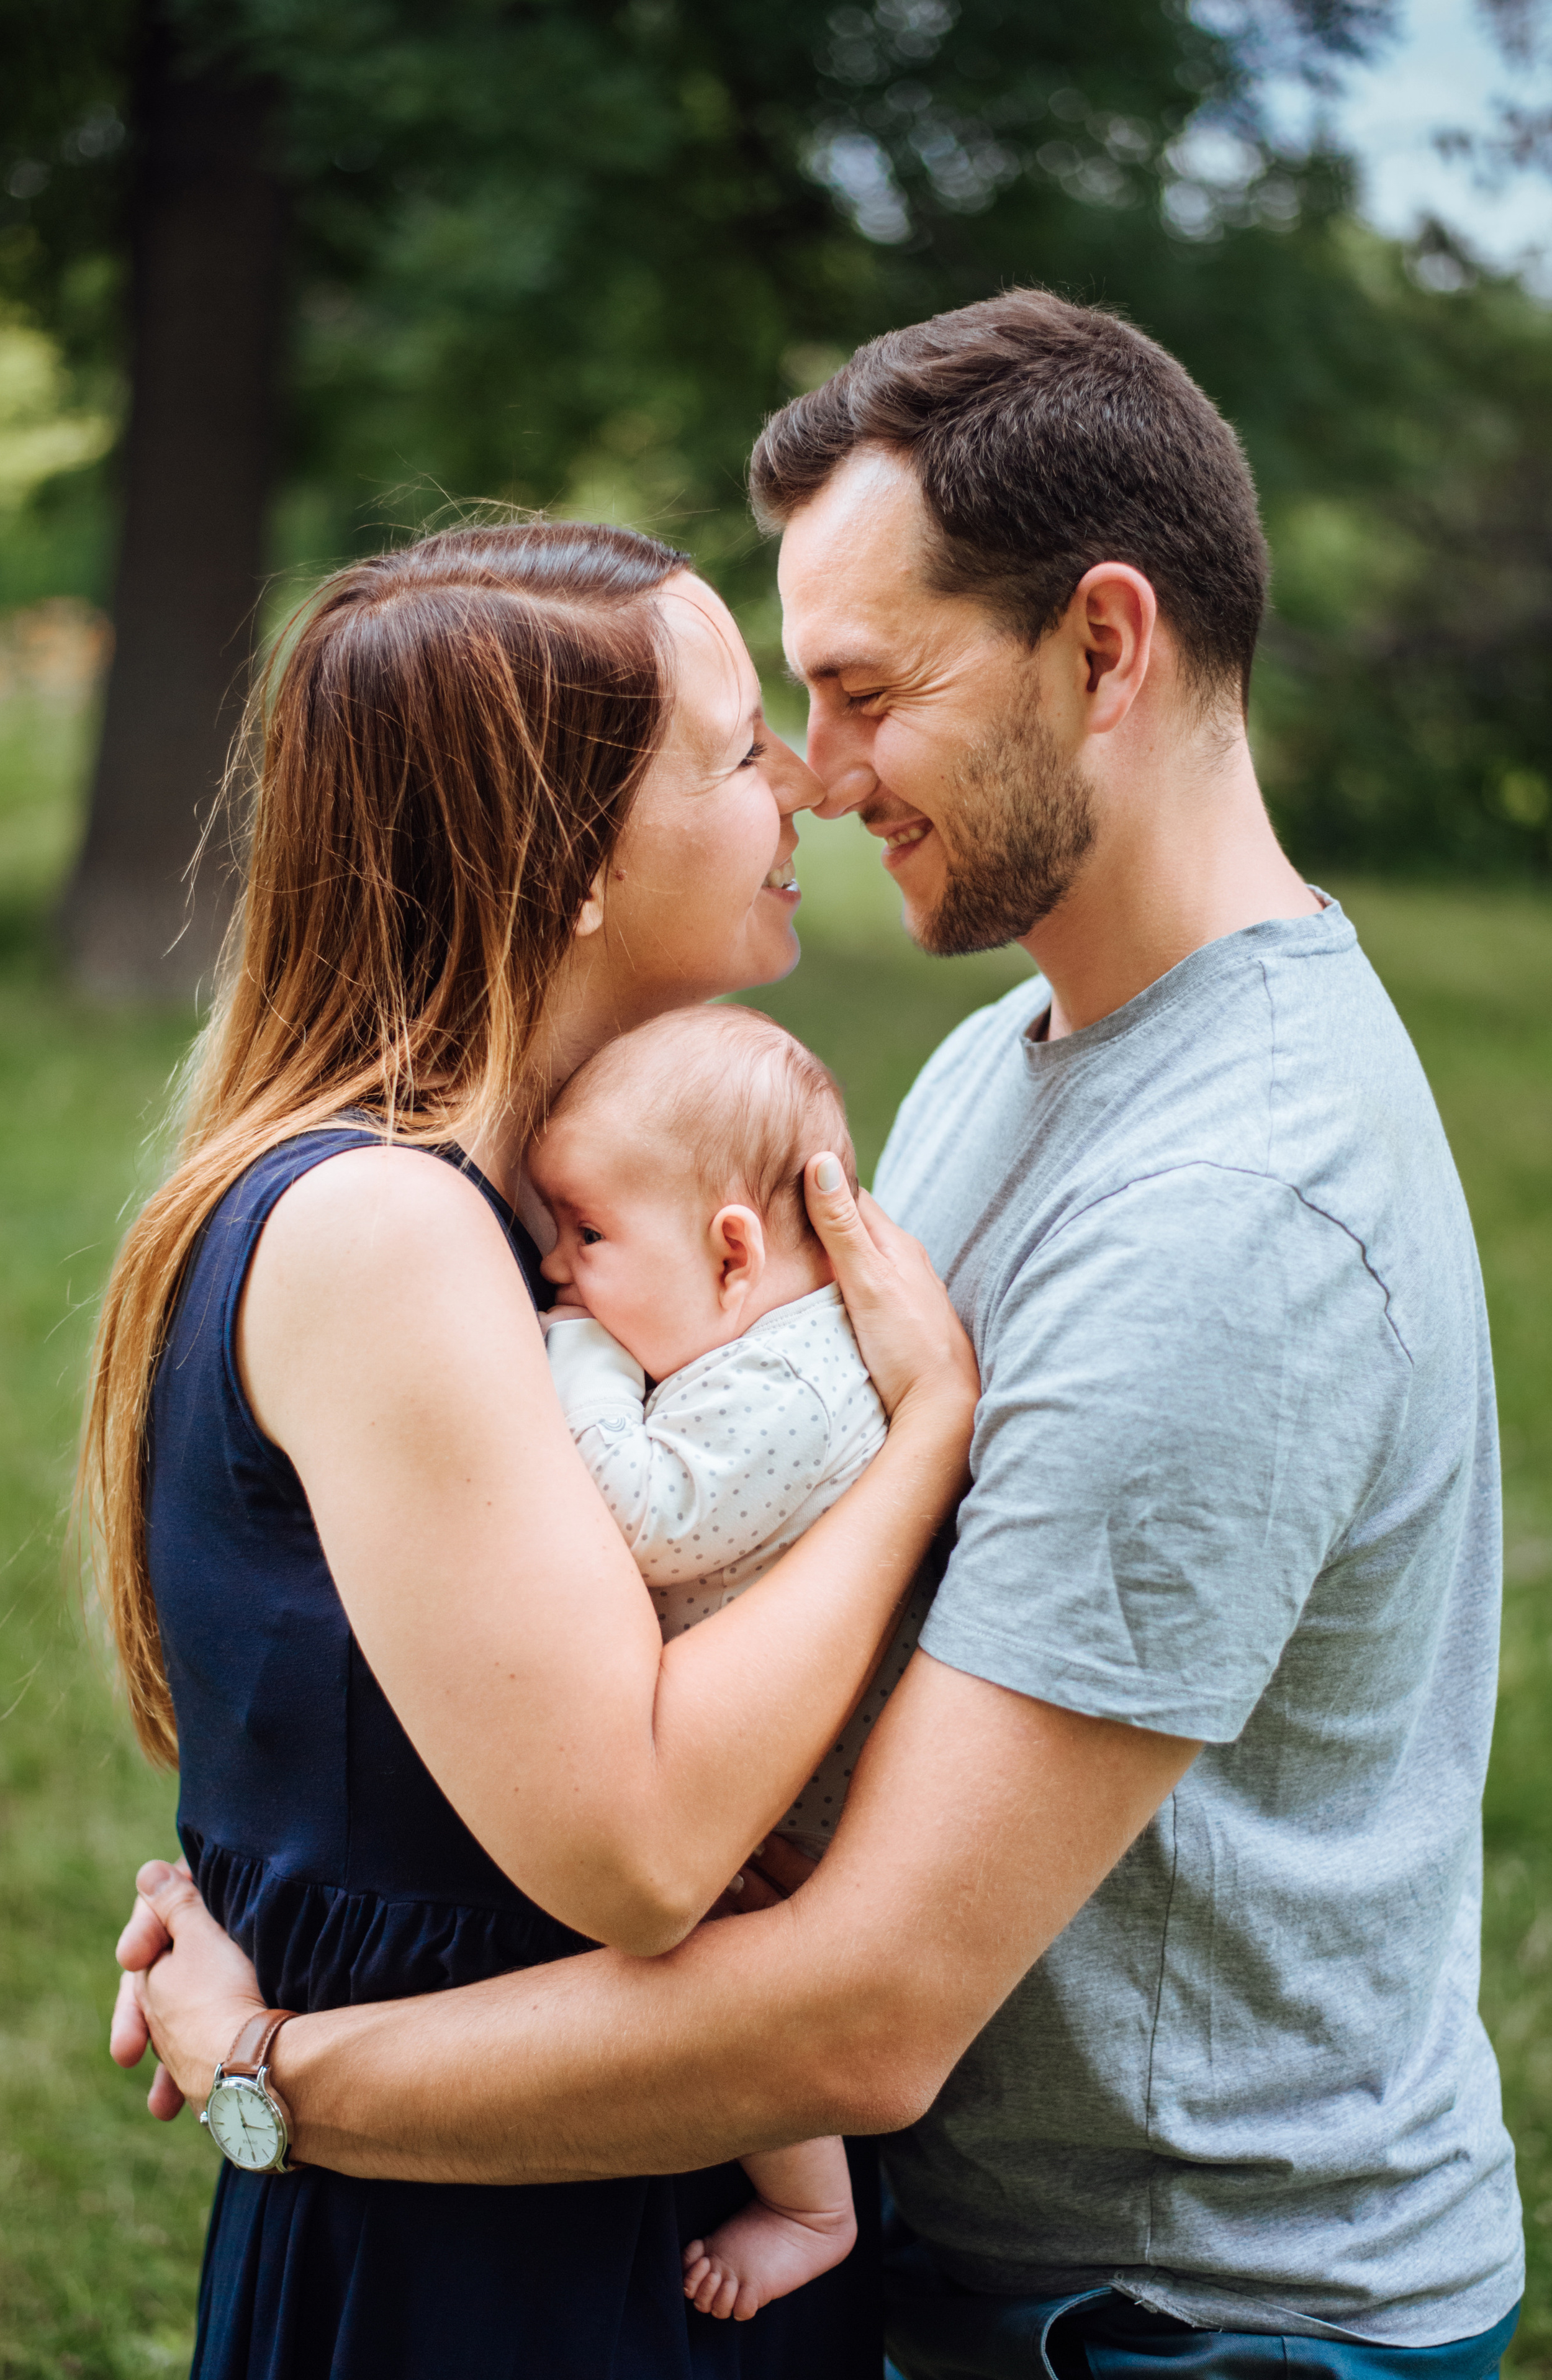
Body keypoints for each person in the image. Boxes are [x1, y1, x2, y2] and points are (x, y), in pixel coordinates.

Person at [115, 292, 1524, 2380]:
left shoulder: (1242, 1211)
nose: (825, 772)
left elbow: (861, 2000)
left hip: (1178, 2318)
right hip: (943, 2270)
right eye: (775, 715)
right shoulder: (989, 1070)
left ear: (1107, 648)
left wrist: (283, 2066)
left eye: (866, 690)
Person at [80, 518, 977, 2379]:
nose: (802, 781)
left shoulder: (489, 1217)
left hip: (582, 2181)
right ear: (565, 860)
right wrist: (924, 1446)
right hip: (501, 2277)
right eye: (738, 752)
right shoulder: (389, 1231)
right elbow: (642, 1849)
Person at [532, 1002, 928, 2322]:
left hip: (810, 1834)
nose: (558, 1266)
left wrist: (571, 1353)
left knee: (742, 1975)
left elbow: (644, 1516)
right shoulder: (743, 1345)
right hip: (768, 1785)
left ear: (731, 1252)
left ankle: (814, 2210)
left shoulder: (794, 1392)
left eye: (588, 1235)